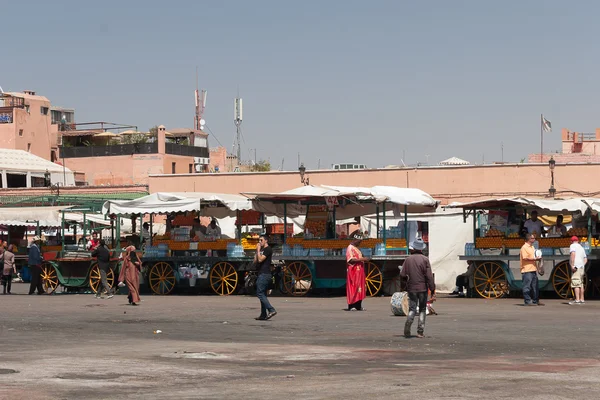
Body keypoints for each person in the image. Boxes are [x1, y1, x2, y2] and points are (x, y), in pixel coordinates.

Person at [400, 238, 436, 338]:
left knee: (412, 309)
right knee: (422, 309)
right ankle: (420, 332)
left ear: (414, 248)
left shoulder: (407, 260)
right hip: (423, 288)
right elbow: (429, 276)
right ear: (421, 249)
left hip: (411, 288)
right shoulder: (425, 260)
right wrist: (432, 289)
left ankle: (407, 327)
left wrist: (404, 286)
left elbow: (402, 274)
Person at [254, 234, 277, 320]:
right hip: (260, 273)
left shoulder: (268, 249)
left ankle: (271, 309)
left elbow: (260, 259)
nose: (260, 242)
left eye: (261, 240)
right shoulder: (262, 250)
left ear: (266, 240)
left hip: (265, 274)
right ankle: (263, 314)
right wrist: (257, 251)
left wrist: (259, 250)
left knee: (259, 293)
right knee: (262, 293)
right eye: (259, 240)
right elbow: (255, 261)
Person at [346, 233, 368, 311]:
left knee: (360, 287)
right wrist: (362, 259)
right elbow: (350, 259)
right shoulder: (350, 248)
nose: (360, 243)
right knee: (353, 287)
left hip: (360, 272)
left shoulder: (356, 248)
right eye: (359, 241)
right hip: (354, 272)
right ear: (355, 240)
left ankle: (358, 305)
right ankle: (352, 305)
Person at [520, 233, 542, 306]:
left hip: (533, 269)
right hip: (527, 270)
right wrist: (534, 259)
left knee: (535, 286)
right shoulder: (524, 247)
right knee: (527, 286)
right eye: (532, 238)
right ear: (528, 239)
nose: (534, 239)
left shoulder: (532, 247)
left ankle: (535, 300)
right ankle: (527, 301)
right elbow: (525, 258)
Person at [569, 236, 587, 305]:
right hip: (581, 267)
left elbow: (573, 254)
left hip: (576, 266)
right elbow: (585, 259)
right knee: (581, 284)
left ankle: (577, 300)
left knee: (576, 283)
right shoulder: (581, 247)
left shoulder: (572, 246)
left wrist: (573, 265)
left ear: (571, 241)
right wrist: (582, 264)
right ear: (578, 241)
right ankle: (582, 299)